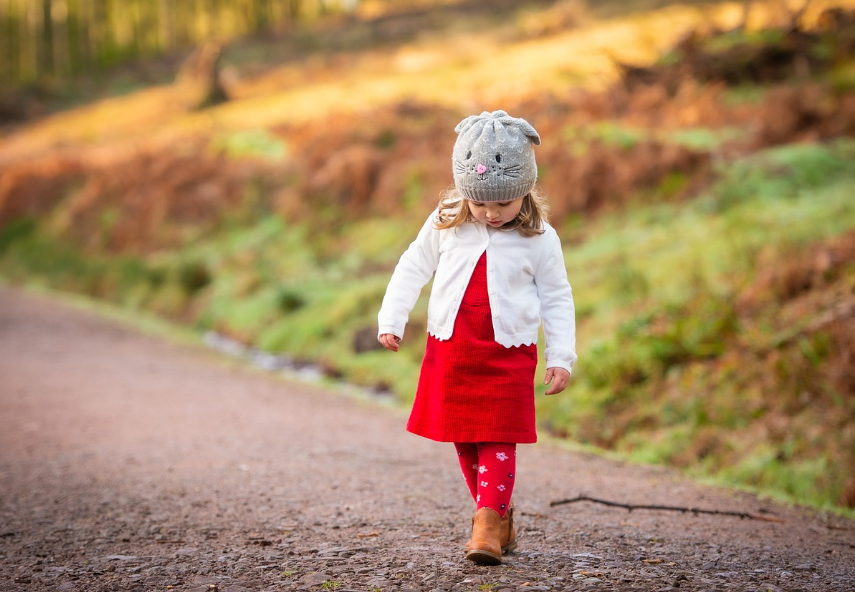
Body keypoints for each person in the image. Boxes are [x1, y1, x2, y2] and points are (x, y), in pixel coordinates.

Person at [377, 110, 577, 566]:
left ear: (525, 190)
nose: (490, 213)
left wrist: (561, 356)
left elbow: (557, 297)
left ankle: (486, 522)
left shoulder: (540, 238)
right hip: (453, 346)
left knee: (498, 433)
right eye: (479, 202)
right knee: (465, 436)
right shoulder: (447, 220)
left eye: (503, 203)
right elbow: (413, 266)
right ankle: (499, 516)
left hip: (509, 351)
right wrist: (393, 318)